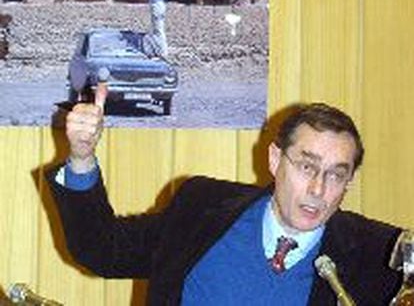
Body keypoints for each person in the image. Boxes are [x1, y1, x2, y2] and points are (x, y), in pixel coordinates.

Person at [46, 99, 402, 305]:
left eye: (336, 175)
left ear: (348, 182)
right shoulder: (201, 207)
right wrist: (81, 158)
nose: (318, 188)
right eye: (307, 166)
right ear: (276, 160)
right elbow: (102, 250)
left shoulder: (381, 254)